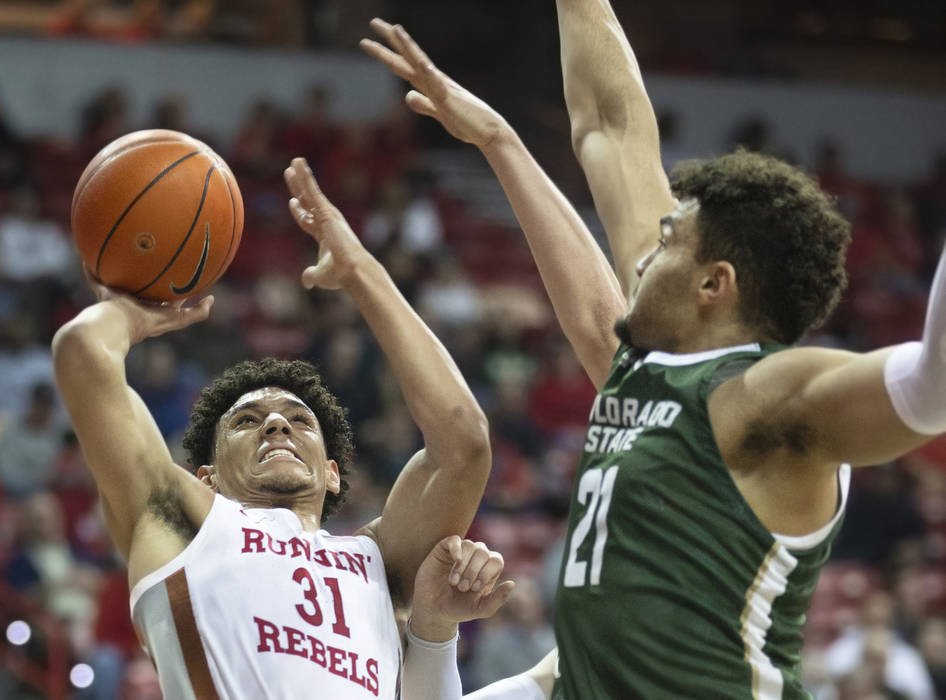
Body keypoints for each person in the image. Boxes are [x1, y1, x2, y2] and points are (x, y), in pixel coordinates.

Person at [363, 10, 946, 699]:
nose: (647, 250)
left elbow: (929, 388)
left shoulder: (768, 392)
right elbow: (610, 127)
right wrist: (499, 132)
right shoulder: (645, 367)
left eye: (668, 241)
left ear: (713, 284)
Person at [52, 158, 492, 697]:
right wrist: (130, 312)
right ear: (207, 476)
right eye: (247, 421)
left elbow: (464, 442)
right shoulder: (181, 518)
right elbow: (81, 352)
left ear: (333, 473)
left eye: (300, 420)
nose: (279, 423)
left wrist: (361, 273)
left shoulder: (375, 560)